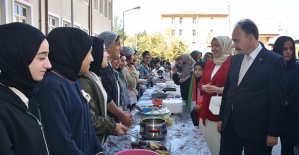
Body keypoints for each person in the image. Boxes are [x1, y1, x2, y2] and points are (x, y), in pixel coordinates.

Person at [218, 19, 286, 155]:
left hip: (257, 130)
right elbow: (229, 91)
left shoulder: (274, 61)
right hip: (231, 125)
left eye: (236, 41)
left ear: (250, 38)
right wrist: (221, 118)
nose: (234, 45)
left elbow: (277, 100)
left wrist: (273, 132)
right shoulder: (236, 59)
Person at [34, 27, 104, 154]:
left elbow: (87, 124)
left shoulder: (74, 80)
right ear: (75, 51)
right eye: (89, 52)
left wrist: (98, 151)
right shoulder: (52, 88)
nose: (92, 59)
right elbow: (62, 143)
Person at [0, 22, 51, 155]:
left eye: (48, 56)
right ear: (17, 56)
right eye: (41, 57)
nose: (49, 64)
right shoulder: (3, 107)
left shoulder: (29, 94)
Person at [78, 37, 128, 145]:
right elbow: (91, 119)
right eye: (104, 50)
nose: (107, 54)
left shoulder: (94, 76)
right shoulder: (85, 80)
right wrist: (113, 125)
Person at [198, 36, 233, 155]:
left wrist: (218, 89)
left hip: (220, 113)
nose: (213, 48)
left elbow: (236, 88)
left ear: (225, 46)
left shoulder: (233, 63)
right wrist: (203, 87)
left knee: (218, 147)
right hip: (205, 111)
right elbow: (201, 81)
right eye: (212, 45)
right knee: (205, 145)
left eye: (217, 45)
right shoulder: (209, 64)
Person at [266, 36, 299, 155]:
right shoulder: (270, 66)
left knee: (288, 148)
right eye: (285, 49)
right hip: (271, 113)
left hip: (289, 112)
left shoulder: (296, 67)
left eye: (291, 49)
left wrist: (283, 102)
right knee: (266, 146)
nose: (288, 52)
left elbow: (296, 89)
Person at [97, 31, 133, 127]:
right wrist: (121, 114)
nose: (120, 48)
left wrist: (120, 111)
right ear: (107, 45)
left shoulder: (109, 68)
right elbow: (106, 98)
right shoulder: (103, 69)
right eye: (117, 44)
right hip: (108, 126)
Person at [188, 61, 205, 126]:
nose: (197, 72)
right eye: (195, 69)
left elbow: (207, 96)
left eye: (200, 70)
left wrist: (200, 104)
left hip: (202, 108)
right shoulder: (194, 80)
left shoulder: (206, 82)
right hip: (195, 106)